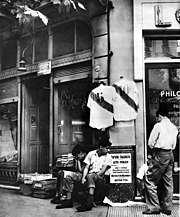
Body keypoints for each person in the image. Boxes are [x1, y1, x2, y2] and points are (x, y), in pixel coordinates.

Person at [142, 105, 178, 215]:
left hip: (160, 154)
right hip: (170, 154)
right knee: (168, 181)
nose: (157, 119)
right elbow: (174, 144)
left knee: (150, 179)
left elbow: (151, 143)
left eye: (157, 117)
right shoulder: (174, 127)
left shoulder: (158, 126)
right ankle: (167, 207)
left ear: (160, 116)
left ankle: (153, 207)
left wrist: (152, 151)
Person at [76, 138, 112, 212]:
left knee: (90, 176)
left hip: (101, 178)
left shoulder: (108, 157)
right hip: (91, 176)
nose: (108, 151)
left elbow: (102, 171)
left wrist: (92, 176)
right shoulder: (91, 154)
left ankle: (89, 202)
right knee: (83, 177)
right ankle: (88, 202)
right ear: (101, 147)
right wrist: (83, 178)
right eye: (107, 148)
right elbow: (86, 167)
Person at [50, 144, 86, 209]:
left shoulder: (85, 158)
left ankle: (64, 198)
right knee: (60, 173)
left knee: (65, 174)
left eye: (77, 155)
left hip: (82, 176)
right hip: (77, 174)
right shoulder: (79, 158)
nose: (76, 157)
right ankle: (59, 195)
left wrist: (77, 161)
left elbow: (80, 170)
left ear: (81, 153)